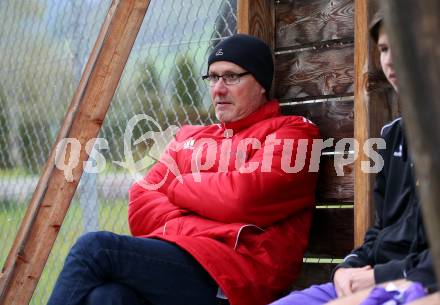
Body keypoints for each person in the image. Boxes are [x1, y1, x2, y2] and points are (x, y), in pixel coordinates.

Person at [47, 34, 320, 305]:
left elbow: (242, 198)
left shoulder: (294, 133)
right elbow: (141, 205)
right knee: (108, 298)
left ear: (261, 83)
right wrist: (210, 215)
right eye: (213, 77)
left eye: (231, 77)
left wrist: (177, 185)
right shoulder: (190, 137)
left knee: (95, 249)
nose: (218, 89)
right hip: (184, 261)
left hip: (238, 275)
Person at [269, 13, 437, 305]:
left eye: (402, 44)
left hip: (417, 282)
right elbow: (382, 229)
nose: (391, 59)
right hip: (372, 279)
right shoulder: (392, 135)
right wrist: (347, 267)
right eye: (384, 49)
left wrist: (378, 277)